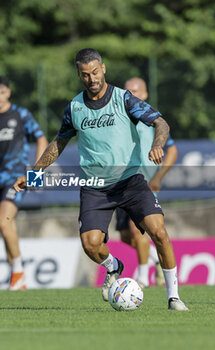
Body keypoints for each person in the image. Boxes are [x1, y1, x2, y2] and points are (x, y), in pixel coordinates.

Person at [14, 48, 188, 310]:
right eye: (85, 75)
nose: (91, 78)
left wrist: (158, 144)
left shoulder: (124, 99)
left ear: (103, 69)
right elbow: (58, 143)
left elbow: (161, 123)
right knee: (91, 244)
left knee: (159, 231)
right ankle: (114, 266)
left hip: (131, 181)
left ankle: (174, 297)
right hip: (95, 187)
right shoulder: (74, 108)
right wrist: (36, 172)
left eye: (95, 72)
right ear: (79, 75)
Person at [116, 77, 178, 288]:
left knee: (137, 230)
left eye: (134, 91)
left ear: (144, 95)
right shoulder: (119, 117)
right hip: (120, 181)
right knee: (125, 236)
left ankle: (143, 278)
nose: (130, 95)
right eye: (127, 91)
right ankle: (155, 259)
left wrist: (158, 177)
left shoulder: (151, 120)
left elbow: (172, 150)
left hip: (143, 183)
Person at [0, 76, 48, 290]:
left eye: (1, 92)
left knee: (4, 221)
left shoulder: (20, 115)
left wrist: (36, 174)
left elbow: (41, 139)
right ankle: (18, 279)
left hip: (14, 178)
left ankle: (18, 272)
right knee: (6, 226)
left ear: (8, 92)